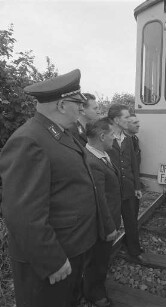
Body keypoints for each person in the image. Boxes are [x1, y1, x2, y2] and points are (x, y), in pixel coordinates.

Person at [0, 69, 101, 307]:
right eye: (78, 103)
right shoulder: (29, 140)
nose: (81, 108)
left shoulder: (61, 134)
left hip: (71, 248)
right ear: (63, 105)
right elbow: (23, 214)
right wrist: (52, 261)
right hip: (51, 259)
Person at [83, 117, 121, 307]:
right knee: (98, 260)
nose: (114, 138)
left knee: (102, 258)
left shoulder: (102, 155)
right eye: (112, 134)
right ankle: (94, 292)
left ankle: (95, 286)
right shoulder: (92, 161)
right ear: (102, 135)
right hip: (101, 225)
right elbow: (100, 199)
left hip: (109, 219)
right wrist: (108, 227)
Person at [107, 104, 144, 262]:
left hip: (129, 188)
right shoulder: (105, 138)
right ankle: (105, 255)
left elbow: (134, 165)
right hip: (112, 191)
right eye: (126, 117)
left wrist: (137, 186)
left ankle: (134, 251)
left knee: (131, 221)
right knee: (111, 224)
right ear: (116, 120)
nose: (129, 120)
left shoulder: (128, 140)